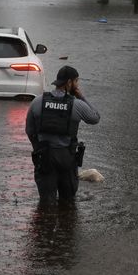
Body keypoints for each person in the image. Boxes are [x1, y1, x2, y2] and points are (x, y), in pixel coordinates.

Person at [25, 65, 101, 203]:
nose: (77, 85)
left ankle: (44, 223)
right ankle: (67, 222)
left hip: (45, 157)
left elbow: (29, 131)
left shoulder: (37, 102)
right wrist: (81, 96)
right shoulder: (76, 104)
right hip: (67, 158)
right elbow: (95, 118)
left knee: (46, 202)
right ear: (70, 83)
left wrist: (39, 148)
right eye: (76, 81)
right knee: (68, 201)